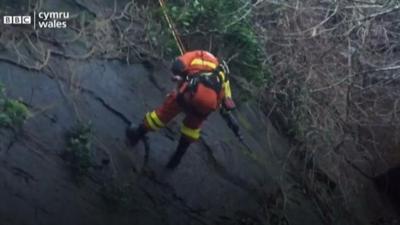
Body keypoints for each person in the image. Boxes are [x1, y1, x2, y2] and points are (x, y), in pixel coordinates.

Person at [126, 50, 236, 169]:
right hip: (205, 107)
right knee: (191, 129)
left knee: (161, 115)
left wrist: (180, 75)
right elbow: (226, 100)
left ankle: (137, 134)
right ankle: (176, 159)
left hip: (186, 96)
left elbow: (178, 65)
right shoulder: (221, 74)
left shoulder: (198, 54)